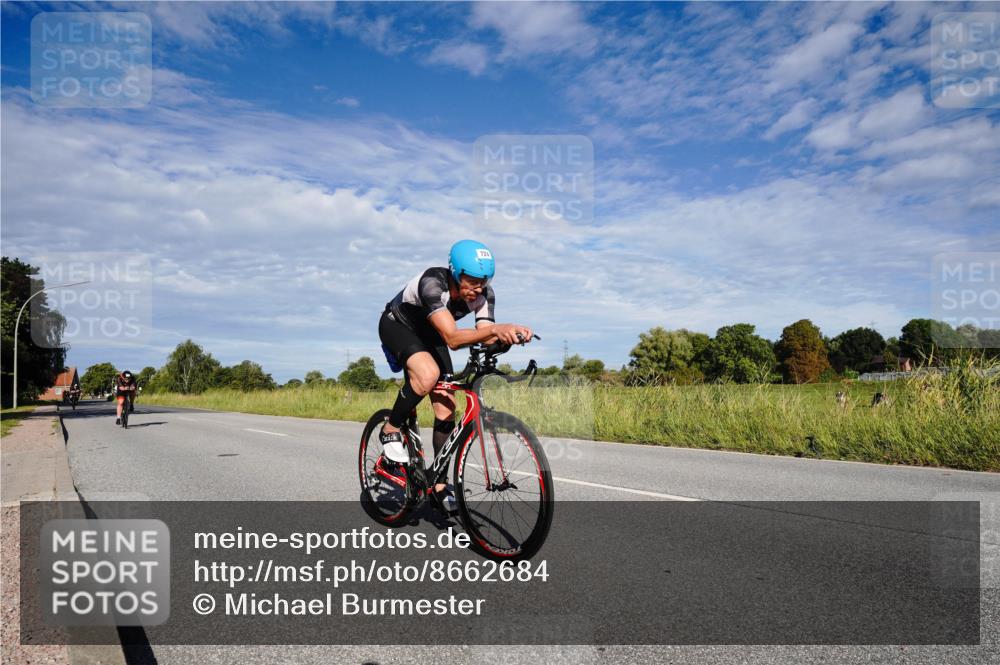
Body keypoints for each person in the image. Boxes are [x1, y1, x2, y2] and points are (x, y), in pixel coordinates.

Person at [378, 240, 533, 511]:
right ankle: (391, 429)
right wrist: (498, 329)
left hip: (432, 333)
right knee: (427, 376)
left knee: (446, 408)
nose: (477, 289)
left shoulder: (484, 294)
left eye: (483, 282)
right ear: (455, 272)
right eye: (471, 282)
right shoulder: (432, 283)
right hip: (398, 325)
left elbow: (484, 332)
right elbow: (452, 338)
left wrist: (507, 337)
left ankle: (437, 484)